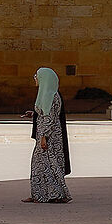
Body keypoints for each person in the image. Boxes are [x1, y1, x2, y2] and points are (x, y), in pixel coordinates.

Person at [25, 67, 73, 204]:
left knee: (48, 166)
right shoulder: (46, 94)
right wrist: (34, 114)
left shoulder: (51, 96)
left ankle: (51, 195)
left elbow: (49, 118)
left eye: (37, 76)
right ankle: (40, 194)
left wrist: (44, 137)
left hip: (49, 136)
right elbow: (44, 114)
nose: (35, 78)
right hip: (45, 134)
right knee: (42, 165)